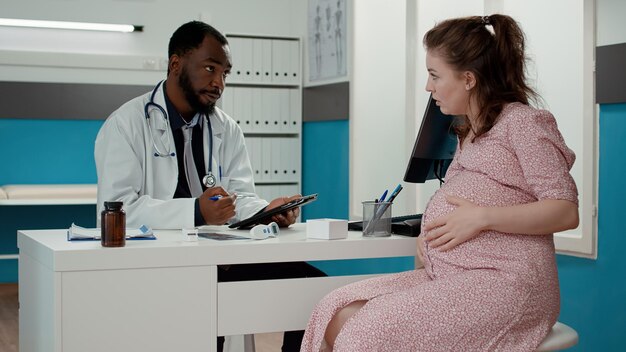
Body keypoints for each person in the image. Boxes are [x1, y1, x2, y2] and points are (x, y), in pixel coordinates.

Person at [301, 14, 579, 352]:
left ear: (468, 79)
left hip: (508, 283)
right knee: (336, 309)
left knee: (371, 327)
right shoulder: (469, 131)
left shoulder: (523, 123)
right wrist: (430, 238)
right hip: (455, 275)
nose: (428, 87)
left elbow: (565, 211)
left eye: (434, 75)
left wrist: (481, 217)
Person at [94, 21, 324, 352]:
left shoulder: (225, 128)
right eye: (209, 68)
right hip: (156, 269)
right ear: (176, 65)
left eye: (225, 73)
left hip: (221, 260)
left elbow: (238, 197)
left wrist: (264, 211)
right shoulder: (126, 125)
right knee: (201, 313)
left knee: (309, 289)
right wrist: (196, 211)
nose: (219, 83)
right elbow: (117, 210)